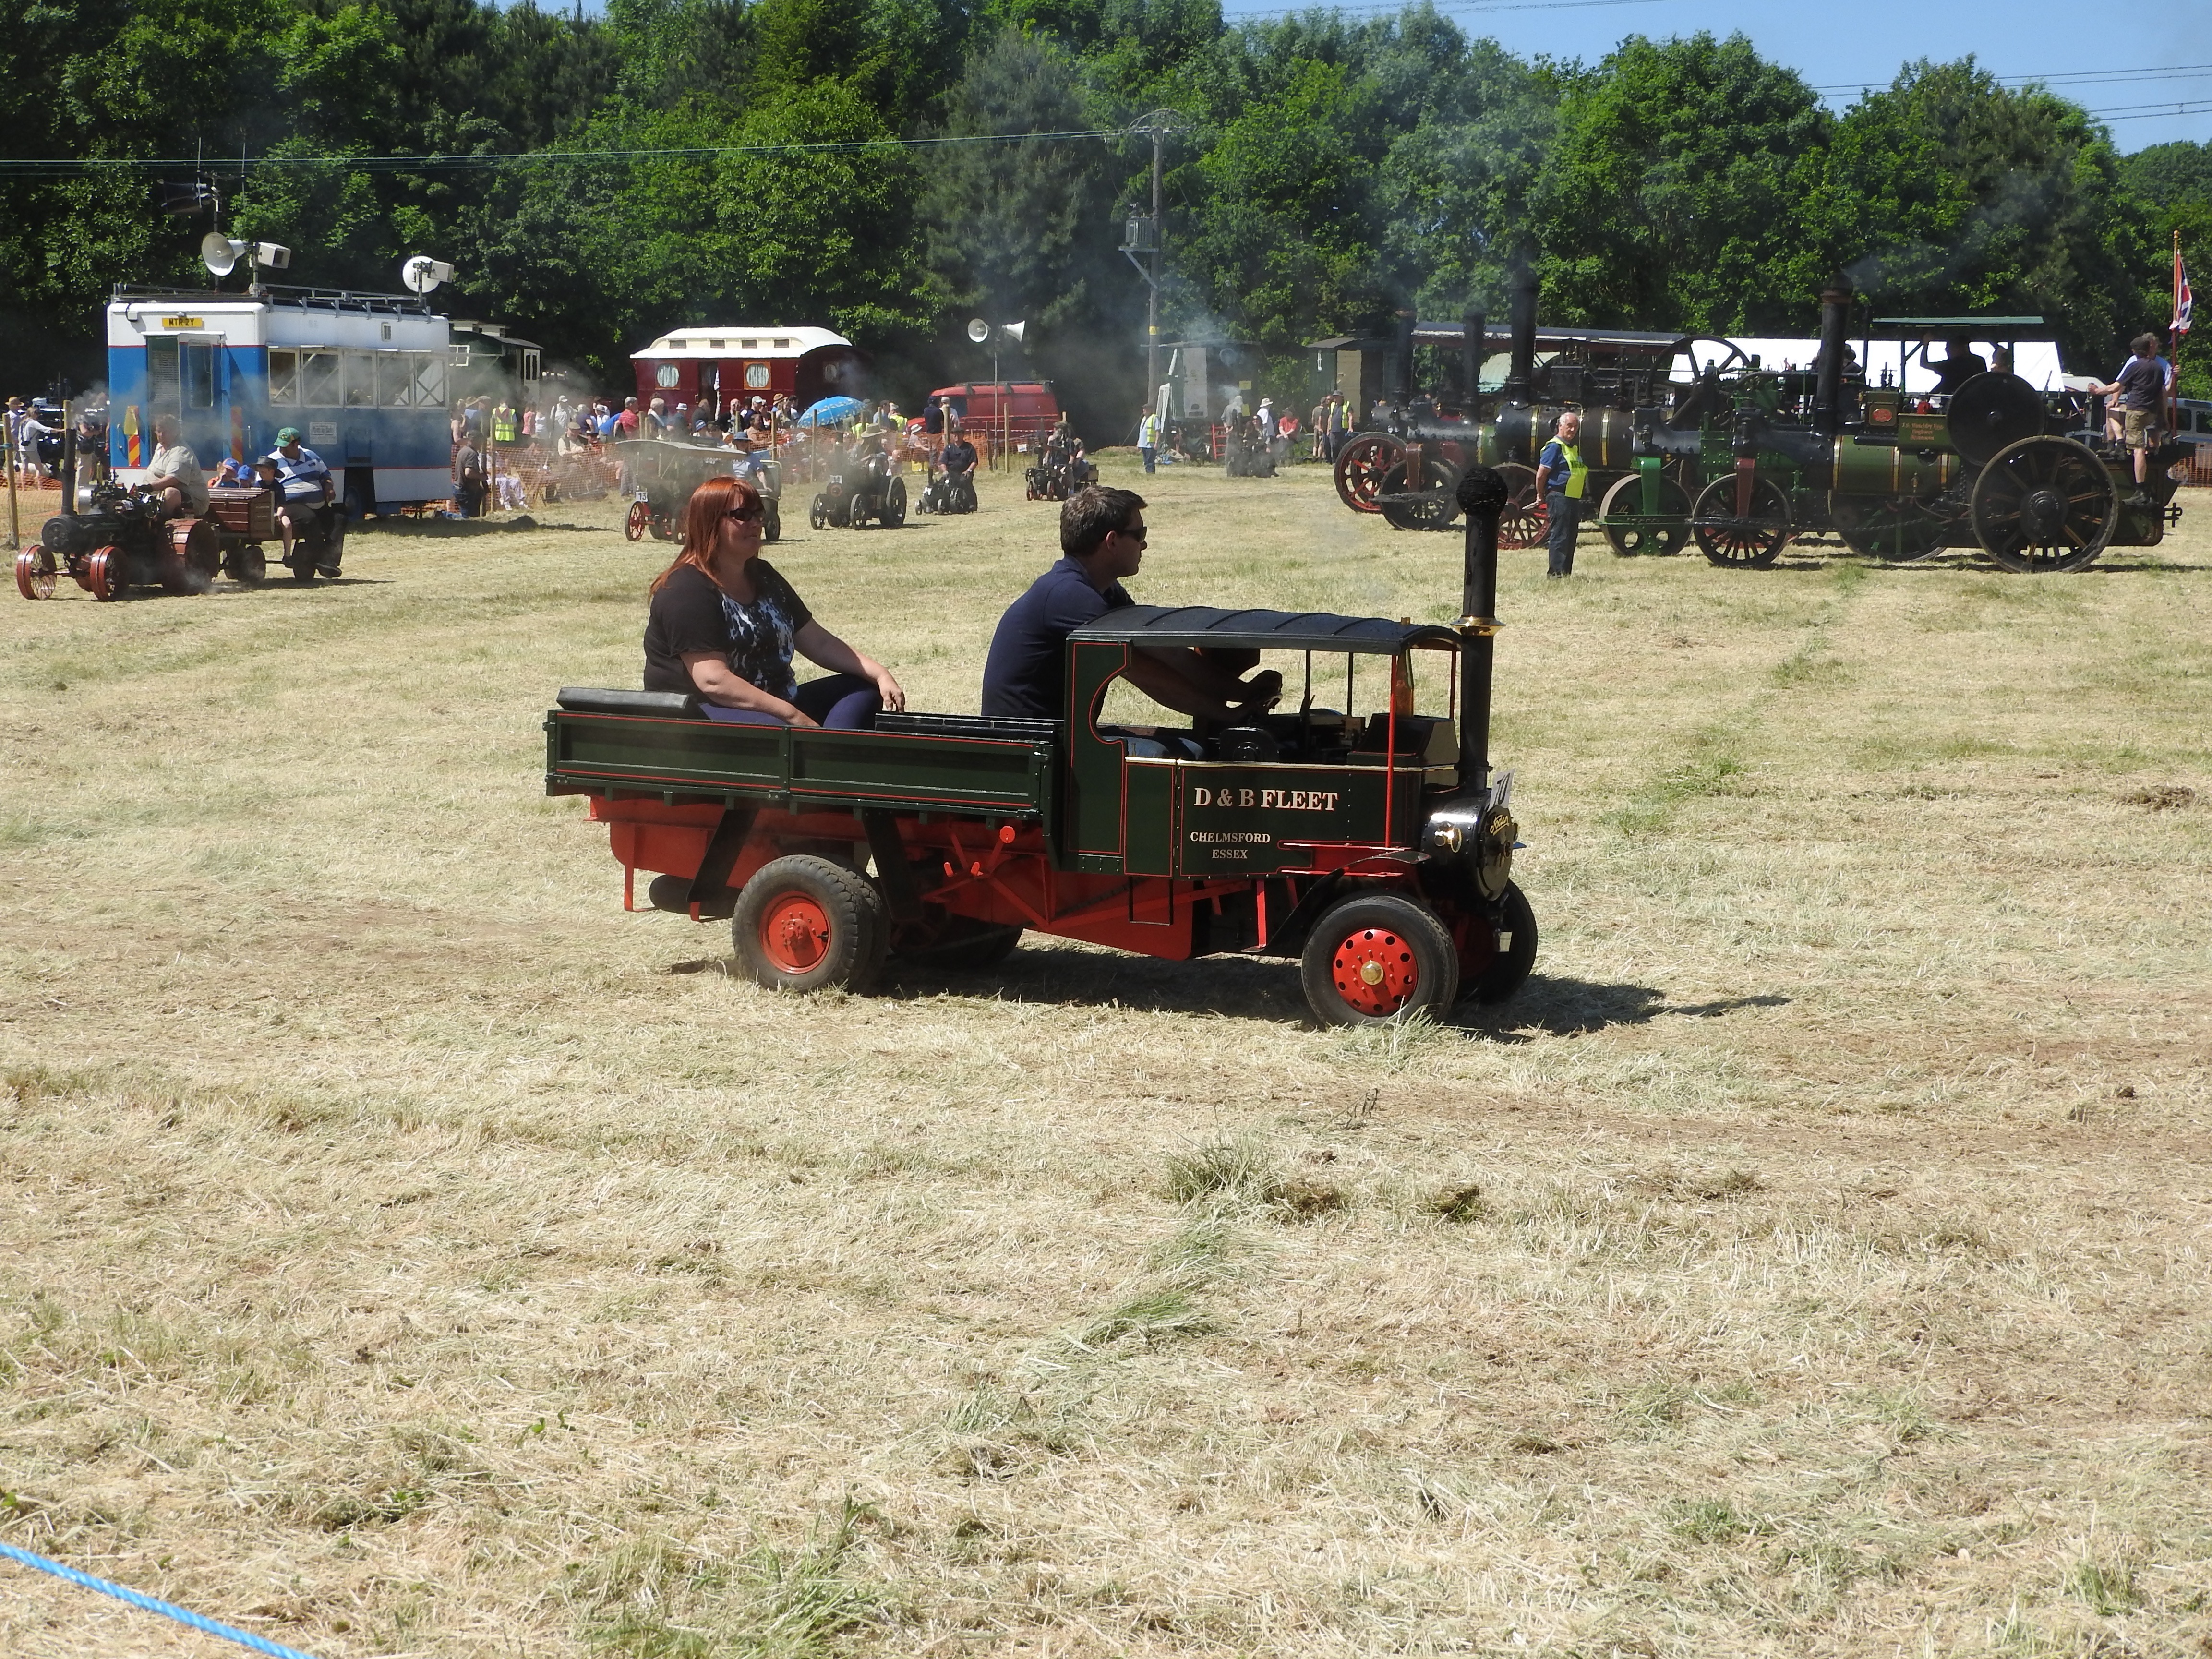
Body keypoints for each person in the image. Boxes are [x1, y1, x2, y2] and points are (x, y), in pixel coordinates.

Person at [980, 485, 1281, 747]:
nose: (1145, 544)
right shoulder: (1069, 596)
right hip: (1032, 746)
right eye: (1140, 535)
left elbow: (1169, 653)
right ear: (1111, 542)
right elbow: (1144, 671)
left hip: (1059, 737)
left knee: (1190, 748)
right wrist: (1227, 714)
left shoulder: (1104, 591)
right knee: (1183, 754)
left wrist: (1243, 692)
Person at [643, 475, 904, 729]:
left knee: (863, 689)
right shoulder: (685, 589)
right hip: (701, 714)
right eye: (742, 515)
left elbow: (820, 644)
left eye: (759, 514)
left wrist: (879, 674)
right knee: (775, 729)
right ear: (709, 522)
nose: (756, 523)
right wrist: (792, 716)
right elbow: (714, 682)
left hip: (775, 704)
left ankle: (830, 752)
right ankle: (823, 756)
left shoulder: (764, 576)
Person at [2092, 333, 2169, 506]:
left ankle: (2140, 490)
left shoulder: (2134, 366)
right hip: (2151, 412)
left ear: (2136, 351)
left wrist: (2097, 391)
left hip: (2136, 411)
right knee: (2113, 412)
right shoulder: (2158, 368)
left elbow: (2116, 387)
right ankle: (2119, 446)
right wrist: (2165, 417)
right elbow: (2163, 394)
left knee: (2138, 450)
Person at [267, 427, 341, 574]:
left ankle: (331, 560)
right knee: (310, 518)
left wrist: (329, 487)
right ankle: (319, 559)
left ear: (296, 444)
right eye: (280, 445)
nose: (282, 449)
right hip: (289, 504)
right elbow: (264, 484)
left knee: (339, 518)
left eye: (286, 445)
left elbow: (325, 476)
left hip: (318, 503)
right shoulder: (272, 461)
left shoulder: (311, 455)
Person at [1532, 410, 1587, 579]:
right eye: (1569, 426)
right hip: (1559, 496)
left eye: (1575, 427)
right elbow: (1541, 474)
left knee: (1571, 536)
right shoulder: (1554, 447)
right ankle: (1555, 573)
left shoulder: (1572, 449)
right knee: (1560, 535)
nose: (1572, 430)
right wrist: (1540, 495)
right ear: (1560, 426)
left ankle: (1565, 573)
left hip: (1573, 497)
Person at [141, 415, 209, 521]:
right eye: (159, 431)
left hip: (192, 499)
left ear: (176, 432)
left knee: (171, 493)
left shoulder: (181, 451)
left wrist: (149, 487)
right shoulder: (160, 447)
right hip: (158, 493)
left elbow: (173, 479)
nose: (161, 435)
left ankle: (161, 525)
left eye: (166, 432)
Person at [1916, 335, 1987, 398]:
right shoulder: (1980, 361)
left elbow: (1924, 363)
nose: (1947, 350)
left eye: (1949, 347)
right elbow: (1945, 382)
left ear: (1959, 348)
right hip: (1974, 403)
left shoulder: (1950, 365)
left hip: (1952, 404)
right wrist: (1930, 394)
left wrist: (1926, 344)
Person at [452, 431, 486, 517]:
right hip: (465, 491)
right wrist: (481, 476)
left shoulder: (463, 450)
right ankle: (443, 515)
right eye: (480, 442)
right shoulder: (472, 453)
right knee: (467, 519)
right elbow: (468, 473)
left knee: (470, 517)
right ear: (475, 441)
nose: (481, 444)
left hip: (459, 488)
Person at [1137, 405, 1160, 475]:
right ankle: (1148, 472)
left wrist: (1156, 443)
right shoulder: (1144, 419)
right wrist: (1139, 442)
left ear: (1150, 409)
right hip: (1144, 444)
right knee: (1146, 460)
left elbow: (1158, 431)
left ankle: (1151, 473)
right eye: (1143, 409)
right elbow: (1142, 432)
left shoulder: (1155, 418)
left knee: (1150, 460)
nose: (1144, 410)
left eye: (1146, 409)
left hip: (1151, 444)